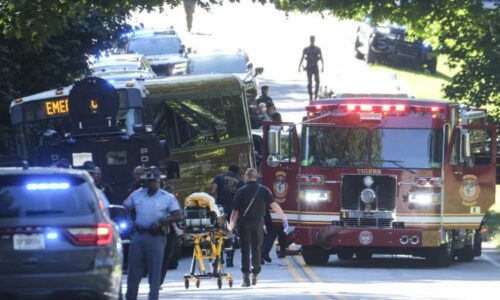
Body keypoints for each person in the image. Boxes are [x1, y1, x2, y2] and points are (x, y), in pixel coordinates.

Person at [124, 167, 182, 300]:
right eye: (149, 181)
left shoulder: (167, 197)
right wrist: (129, 222)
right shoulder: (136, 194)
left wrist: (162, 222)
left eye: (154, 181)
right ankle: (130, 297)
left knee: (154, 271)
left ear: (159, 181)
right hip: (138, 235)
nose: (152, 183)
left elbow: (178, 215)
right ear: (145, 182)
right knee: (134, 271)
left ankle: (153, 297)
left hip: (156, 237)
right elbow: (125, 208)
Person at [229, 168, 288, 287]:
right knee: (256, 249)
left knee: (245, 250)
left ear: (246, 177)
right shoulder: (264, 190)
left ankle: (246, 279)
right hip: (258, 224)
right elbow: (274, 205)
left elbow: (235, 212)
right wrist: (284, 218)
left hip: (244, 224)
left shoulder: (241, 191)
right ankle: (255, 274)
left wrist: (230, 227)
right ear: (256, 177)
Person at [210, 164, 245, 267]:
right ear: (237, 172)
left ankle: (219, 258)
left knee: (218, 232)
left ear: (228, 170)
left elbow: (213, 191)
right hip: (233, 210)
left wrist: (213, 204)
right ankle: (230, 259)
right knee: (230, 234)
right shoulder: (240, 182)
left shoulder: (219, 177)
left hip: (220, 209)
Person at [158, 184, 183, 289]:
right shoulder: (169, 200)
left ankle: (157, 281)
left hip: (162, 232)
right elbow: (170, 216)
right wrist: (177, 229)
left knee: (163, 256)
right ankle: (158, 281)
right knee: (166, 256)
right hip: (167, 232)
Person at [298, 35, 324, 101]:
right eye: (311, 39)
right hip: (309, 66)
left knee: (317, 81)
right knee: (309, 82)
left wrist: (323, 66)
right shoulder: (306, 49)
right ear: (310, 40)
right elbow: (302, 58)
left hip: (315, 66)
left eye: (313, 39)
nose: (312, 40)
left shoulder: (317, 49)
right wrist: (300, 66)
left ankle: (315, 95)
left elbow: (321, 58)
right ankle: (311, 96)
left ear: (314, 40)